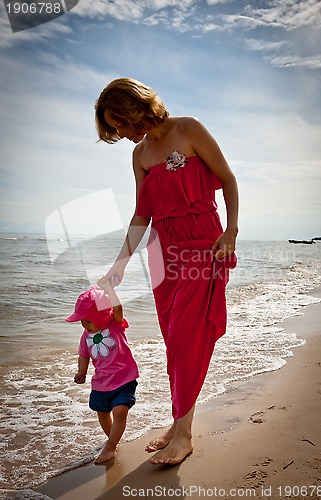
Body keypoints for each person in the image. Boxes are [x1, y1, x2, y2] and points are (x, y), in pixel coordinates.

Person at [95, 77, 238, 465]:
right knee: (172, 339)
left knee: (186, 336)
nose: (121, 133)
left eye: (121, 123)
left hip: (202, 242)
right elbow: (142, 214)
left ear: (135, 108)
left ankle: (184, 435)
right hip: (163, 252)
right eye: (114, 129)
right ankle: (178, 423)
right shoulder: (139, 155)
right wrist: (119, 264)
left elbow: (227, 179)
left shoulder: (188, 129)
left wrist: (231, 231)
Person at [65, 283, 139, 464]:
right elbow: (83, 355)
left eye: (88, 320)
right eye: (82, 321)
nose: (84, 324)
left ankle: (110, 446)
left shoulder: (115, 323)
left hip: (124, 377)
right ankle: (113, 439)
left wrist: (110, 290)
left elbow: (118, 307)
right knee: (102, 413)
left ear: (101, 316)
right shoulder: (85, 336)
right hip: (102, 382)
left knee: (120, 410)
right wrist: (82, 371)